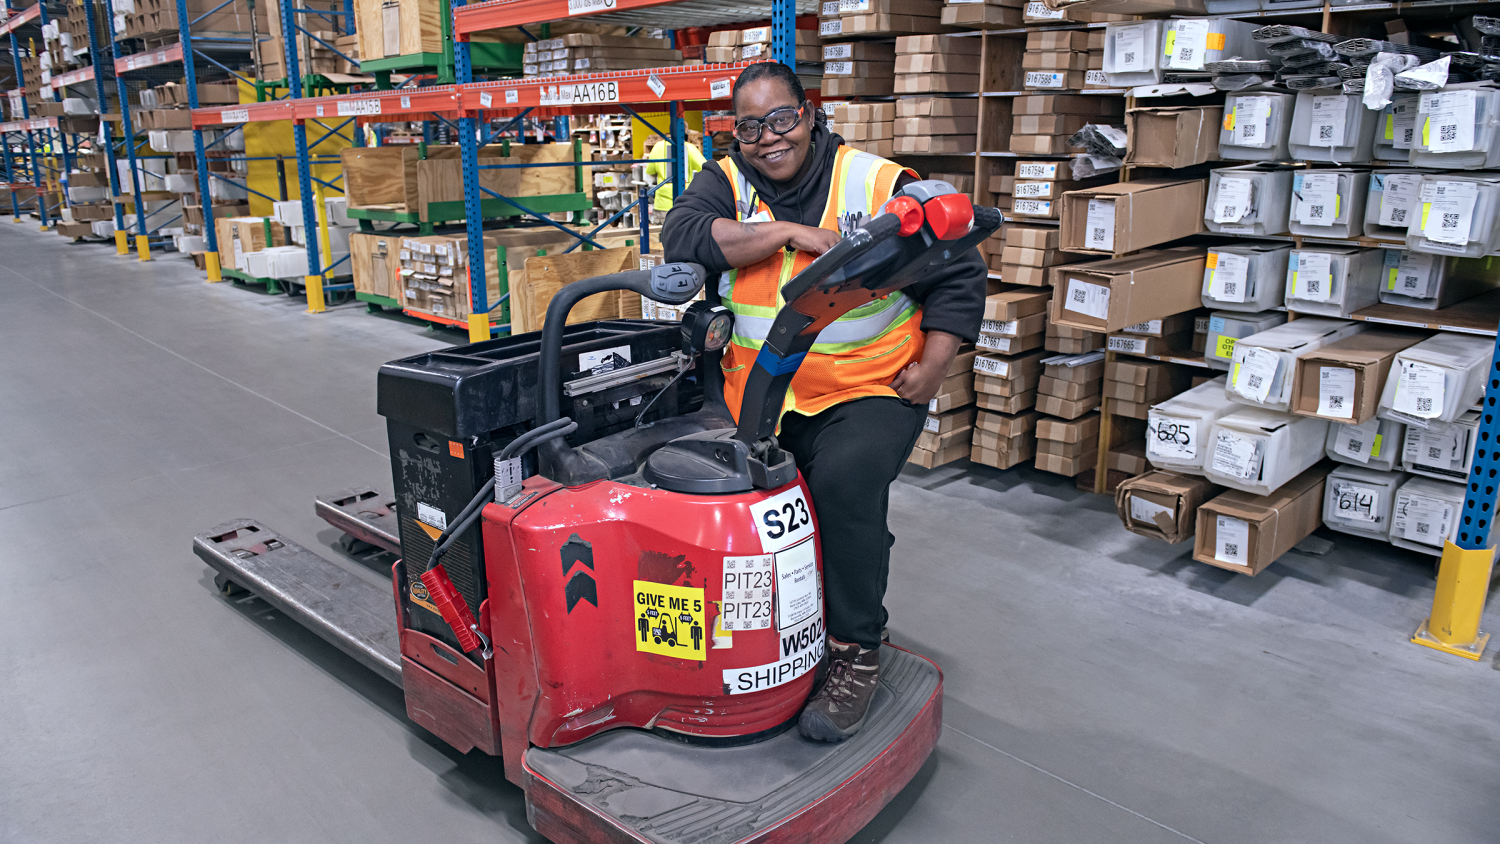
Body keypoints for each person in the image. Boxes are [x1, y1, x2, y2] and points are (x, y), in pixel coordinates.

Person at [662, 62, 987, 742]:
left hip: (869, 387)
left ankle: (854, 651)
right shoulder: (723, 183)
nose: (767, 139)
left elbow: (958, 265)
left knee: (842, 489)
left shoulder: (874, 182)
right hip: (761, 396)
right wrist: (785, 235)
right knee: (757, 513)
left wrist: (935, 363)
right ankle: (793, 631)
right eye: (750, 127)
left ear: (809, 114)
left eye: (781, 119)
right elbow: (685, 236)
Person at [643, 129, 706, 225]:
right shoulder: (690, 148)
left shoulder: (658, 146)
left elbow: (650, 170)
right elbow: (705, 168)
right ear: (686, 134)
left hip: (662, 204)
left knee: (661, 237)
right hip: (685, 202)